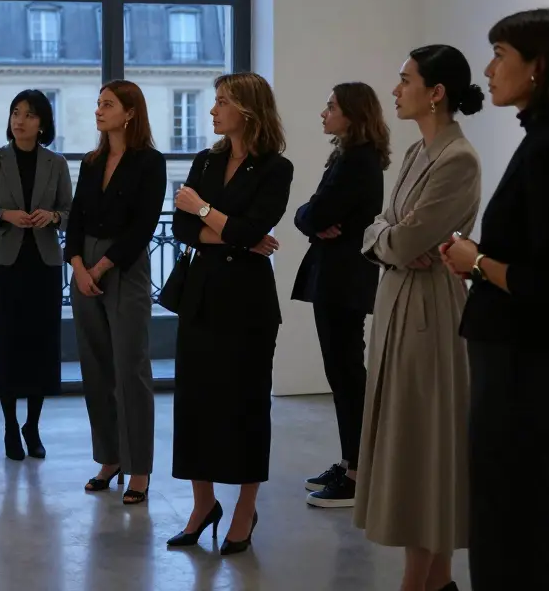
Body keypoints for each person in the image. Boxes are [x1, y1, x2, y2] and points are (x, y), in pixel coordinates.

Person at [441, 8, 549, 591]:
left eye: (499, 56)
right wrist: (479, 260)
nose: (488, 70)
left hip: (526, 365)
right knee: (535, 521)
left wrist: (477, 262)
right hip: (527, 361)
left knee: (511, 527)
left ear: (538, 65)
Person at [354, 45, 484, 591]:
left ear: (436, 92)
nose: (395, 89)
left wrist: (388, 236)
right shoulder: (415, 152)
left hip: (430, 311)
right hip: (398, 302)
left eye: (405, 79)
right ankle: (437, 580)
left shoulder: (458, 159)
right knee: (412, 442)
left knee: (426, 443)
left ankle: (421, 580)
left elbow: (404, 240)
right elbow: (382, 227)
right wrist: (389, 236)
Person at [167, 72, 294, 556]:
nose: (213, 110)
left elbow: (250, 228)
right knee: (194, 403)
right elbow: (183, 229)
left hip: (247, 302)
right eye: (215, 101)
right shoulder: (206, 160)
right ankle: (203, 505)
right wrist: (231, 232)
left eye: (223, 102)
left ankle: (244, 509)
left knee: (246, 405)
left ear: (248, 110)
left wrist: (203, 210)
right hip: (201, 296)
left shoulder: (275, 168)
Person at [65, 80, 166, 505]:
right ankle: (109, 458)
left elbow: (143, 227)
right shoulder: (91, 162)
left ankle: (138, 467)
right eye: (98, 103)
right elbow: (75, 219)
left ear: (130, 113)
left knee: (131, 368)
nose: (98, 110)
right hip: (84, 266)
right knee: (95, 368)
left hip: (124, 266)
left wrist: (101, 267)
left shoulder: (150, 162)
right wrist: (77, 266)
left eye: (107, 104)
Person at [291, 82, 391, 508]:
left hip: (343, 279)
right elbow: (310, 214)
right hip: (338, 277)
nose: (323, 113)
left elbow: (315, 212)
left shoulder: (357, 161)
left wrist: (311, 218)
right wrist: (311, 218)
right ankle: (353, 461)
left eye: (331, 106)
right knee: (343, 372)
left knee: (346, 374)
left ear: (352, 113)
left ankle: (358, 472)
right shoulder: (349, 157)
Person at [0, 89, 73, 461]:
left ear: (42, 123)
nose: (20, 120)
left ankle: (33, 425)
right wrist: (6, 215)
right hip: (6, 266)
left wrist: (54, 216)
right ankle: (11, 426)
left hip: (45, 267)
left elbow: (71, 214)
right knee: (9, 345)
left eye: (29, 114)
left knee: (41, 346)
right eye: (16, 112)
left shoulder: (56, 163)